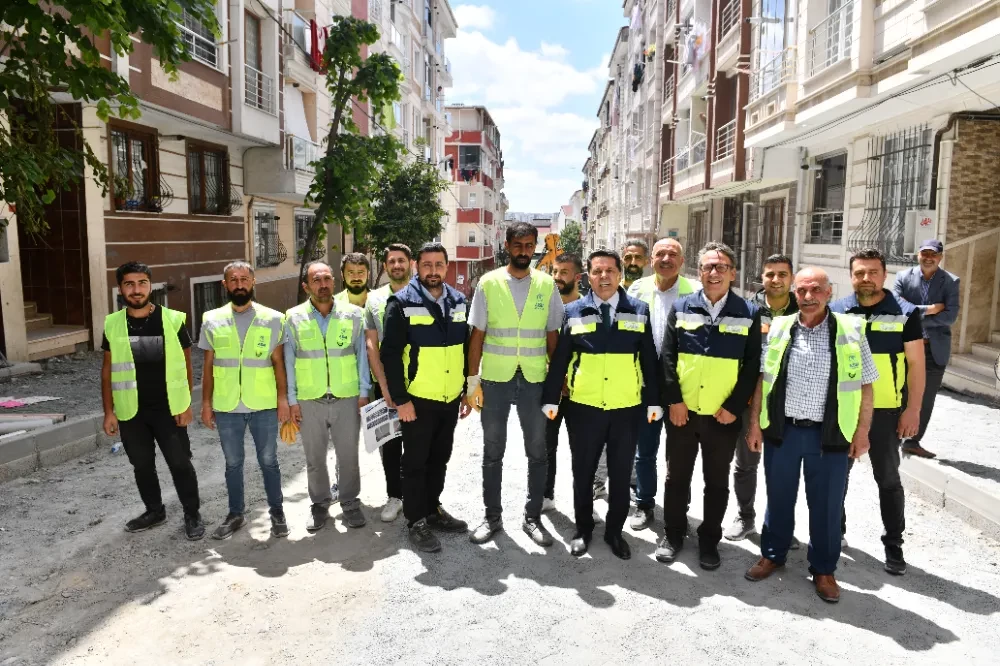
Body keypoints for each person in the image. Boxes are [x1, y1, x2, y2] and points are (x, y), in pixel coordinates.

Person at [744, 267, 876, 603]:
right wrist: (755, 424)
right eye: (802, 290)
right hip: (784, 431)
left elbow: (866, 385)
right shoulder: (780, 327)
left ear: (829, 293)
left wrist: (862, 431)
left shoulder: (850, 330)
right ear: (794, 294)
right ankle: (772, 555)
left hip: (830, 434)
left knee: (827, 505)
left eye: (816, 289)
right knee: (778, 498)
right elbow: (763, 378)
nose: (808, 296)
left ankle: (824, 569)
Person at [542, 249, 662, 560]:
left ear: (620, 274)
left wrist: (653, 401)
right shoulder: (574, 311)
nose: (604, 276)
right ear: (588, 277)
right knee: (583, 472)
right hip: (584, 407)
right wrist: (551, 398)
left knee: (621, 475)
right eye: (597, 271)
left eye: (610, 270)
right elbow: (561, 359)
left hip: (626, 407)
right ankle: (583, 530)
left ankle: (614, 533)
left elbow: (648, 359)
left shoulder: (638, 309)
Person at [658, 241, 762, 570]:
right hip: (683, 414)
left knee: (716, 483)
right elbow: (668, 357)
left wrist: (734, 406)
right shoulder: (682, 306)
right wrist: (674, 400)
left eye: (721, 267)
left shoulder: (749, 312)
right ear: (699, 271)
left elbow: (752, 366)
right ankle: (673, 534)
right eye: (707, 267)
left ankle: (708, 541)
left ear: (732, 273)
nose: (713, 272)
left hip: (723, 416)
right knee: (676, 479)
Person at [466, 222, 564, 547]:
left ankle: (532, 517)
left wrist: (557, 381)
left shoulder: (546, 284)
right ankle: (492, 518)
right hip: (496, 379)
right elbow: (477, 335)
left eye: (529, 245)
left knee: (537, 451)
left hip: (534, 379)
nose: (524, 251)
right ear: (507, 246)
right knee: (493, 451)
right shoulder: (489, 283)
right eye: (518, 245)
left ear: (535, 246)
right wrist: (472, 381)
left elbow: (552, 336)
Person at [831, 248, 924, 575]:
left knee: (887, 479)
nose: (866, 278)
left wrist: (913, 409)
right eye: (859, 273)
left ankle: (894, 544)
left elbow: (916, 365)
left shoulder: (905, 313)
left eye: (873, 272)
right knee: (836, 476)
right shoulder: (837, 311)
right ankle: (835, 532)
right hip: (845, 410)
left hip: (886, 412)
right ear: (851, 276)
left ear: (885, 275)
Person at [381, 243, 472, 553]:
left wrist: (465, 390)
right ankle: (416, 520)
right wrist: (401, 399)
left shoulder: (459, 301)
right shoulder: (401, 303)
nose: (433, 271)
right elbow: (390, 355)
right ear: (417, 267)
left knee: (440, 458)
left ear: (447, 267)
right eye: (427, 265)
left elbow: (464, 349)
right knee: (415, 462)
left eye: (439, 265)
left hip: (449, 398)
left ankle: (432, 508)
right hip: (417, 400)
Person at [101, 261, 203, 540]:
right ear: (120, 288)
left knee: (180, 463)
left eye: (142, 283)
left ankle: (192, 513)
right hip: (131, 410)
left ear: (150, 286)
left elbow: (185, 365)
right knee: (142, 465)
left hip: (169, 408)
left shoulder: (172, 320)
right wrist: (109, 411)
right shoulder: (112, 324)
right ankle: (155, 510)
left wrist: (186, 404)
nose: (136, 290)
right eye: (129, 284)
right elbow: (107, 370)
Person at [200, 261, 289, 540]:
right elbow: (208, 365)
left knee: (269, 460)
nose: (239, 284)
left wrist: (283, 399)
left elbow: (278, 363)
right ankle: (235, 514)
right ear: (224, 284)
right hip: (227, 405)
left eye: (244, 279)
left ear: (253, 282)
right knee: (233, 463)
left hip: (263, 404)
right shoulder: (211, 319)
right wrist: (206, 404)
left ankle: (277, 512)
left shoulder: (274, 319)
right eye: (233, 280)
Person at [284, 261, 370, 532]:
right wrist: (292, 400)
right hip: (310, 399)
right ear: (306, 286)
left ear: (334, 281)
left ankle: (350, 502)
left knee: (348, 456)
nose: (323, 285)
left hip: (347, 397)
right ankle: (320, 504)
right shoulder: (293, 317)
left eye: (327, 279)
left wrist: (364, 392)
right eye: (316, 280)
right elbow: (289, 361)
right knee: (314, 458)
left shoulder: (354, 315)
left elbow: (362, 356)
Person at [625, 237, 699, 530]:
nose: (666, 259)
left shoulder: (695, 291)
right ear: (651, 260)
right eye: (660, 254)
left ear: (682, 261)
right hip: (646, 383)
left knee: (680, 454)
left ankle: (679, 509)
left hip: (683, 386)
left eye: (673, 254)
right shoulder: (636, 289)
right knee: (645, 450)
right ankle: (644, 504)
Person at [725, 254, 799, 543]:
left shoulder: (806, 311)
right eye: (770, 274)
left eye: (782, 274)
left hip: (791, 402)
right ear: (762, 278)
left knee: (784, 468)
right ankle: (745, 517)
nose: (776, 280)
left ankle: (780, 524)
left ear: (792, 278)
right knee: (746, 463)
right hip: (751, 402)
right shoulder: (747, 311)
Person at [591, 237, 651, 500]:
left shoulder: (648, 291)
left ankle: (633, 482)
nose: (633, 262)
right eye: (628, 257)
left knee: (633, 437)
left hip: (637, 375)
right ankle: (598, 480)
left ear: (646, 261)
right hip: (603, 377)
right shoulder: (605, 289)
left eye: (638, 257)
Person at [892, 238, 960, 459]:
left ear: (940, 257)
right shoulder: (903, 277)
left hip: (933, 349)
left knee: (925, 398)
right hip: (904, 348)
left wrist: (915, 316)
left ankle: (912, 441)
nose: (929, 258)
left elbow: (950, 316)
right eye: (925, 253)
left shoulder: (950, 281)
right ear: (918, 255)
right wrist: (931, 309)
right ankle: (892, 436)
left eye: (933, 254)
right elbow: (897, 309)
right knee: (898, 393)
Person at [365, 243, 414, 522]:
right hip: (385, 385)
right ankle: (395, 496)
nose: (396, 265)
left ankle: (421, 496)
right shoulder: (373, 299)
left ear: (411, 264)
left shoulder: (423, 294)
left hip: (420, 384)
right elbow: (372, 345)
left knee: (419, 444)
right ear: (385, 266)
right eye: (391, 261)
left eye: (401, 260)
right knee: (391, 444)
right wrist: (384, 388)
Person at [542, 252, 583, 512]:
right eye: (554, 272)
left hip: (580, 393)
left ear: (578, 277)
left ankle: (585, 501)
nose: (557, 277)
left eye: (563, 272)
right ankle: (545, 496)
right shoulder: (543, 307)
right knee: (545, 446)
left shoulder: (587, 308)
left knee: (582, 450)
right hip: (549, 390)